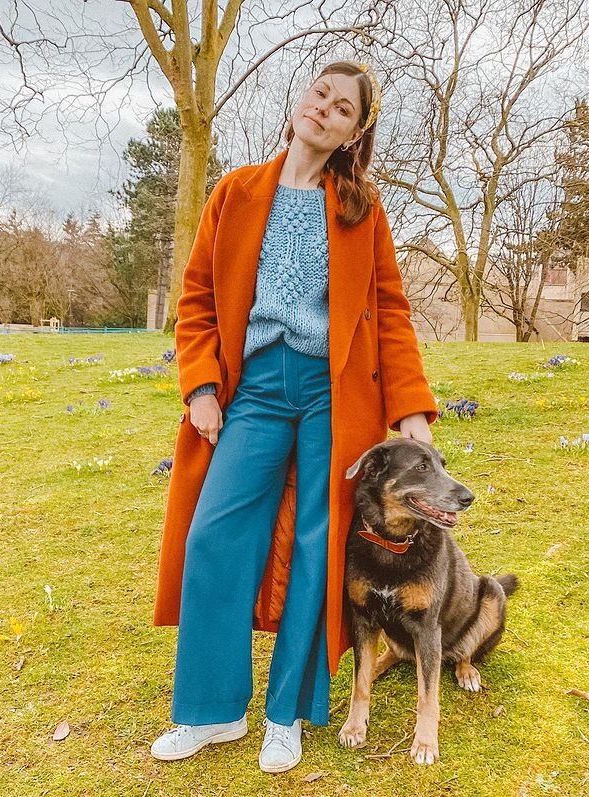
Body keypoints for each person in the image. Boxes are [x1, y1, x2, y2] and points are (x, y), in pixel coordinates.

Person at [150, 59, 438, 773]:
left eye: (343, 109)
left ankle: (287, 713)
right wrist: (201, 386)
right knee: (214, 533)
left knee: (320, 540)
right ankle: (213, 710)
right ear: (300, 101)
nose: (325, 109)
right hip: (254, 387)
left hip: (334, 392)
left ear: (352, 133)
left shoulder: (360, 208)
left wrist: (410, 407)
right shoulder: (237, 190)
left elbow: (392, 312)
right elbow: (194, 299)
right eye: (321, 94)